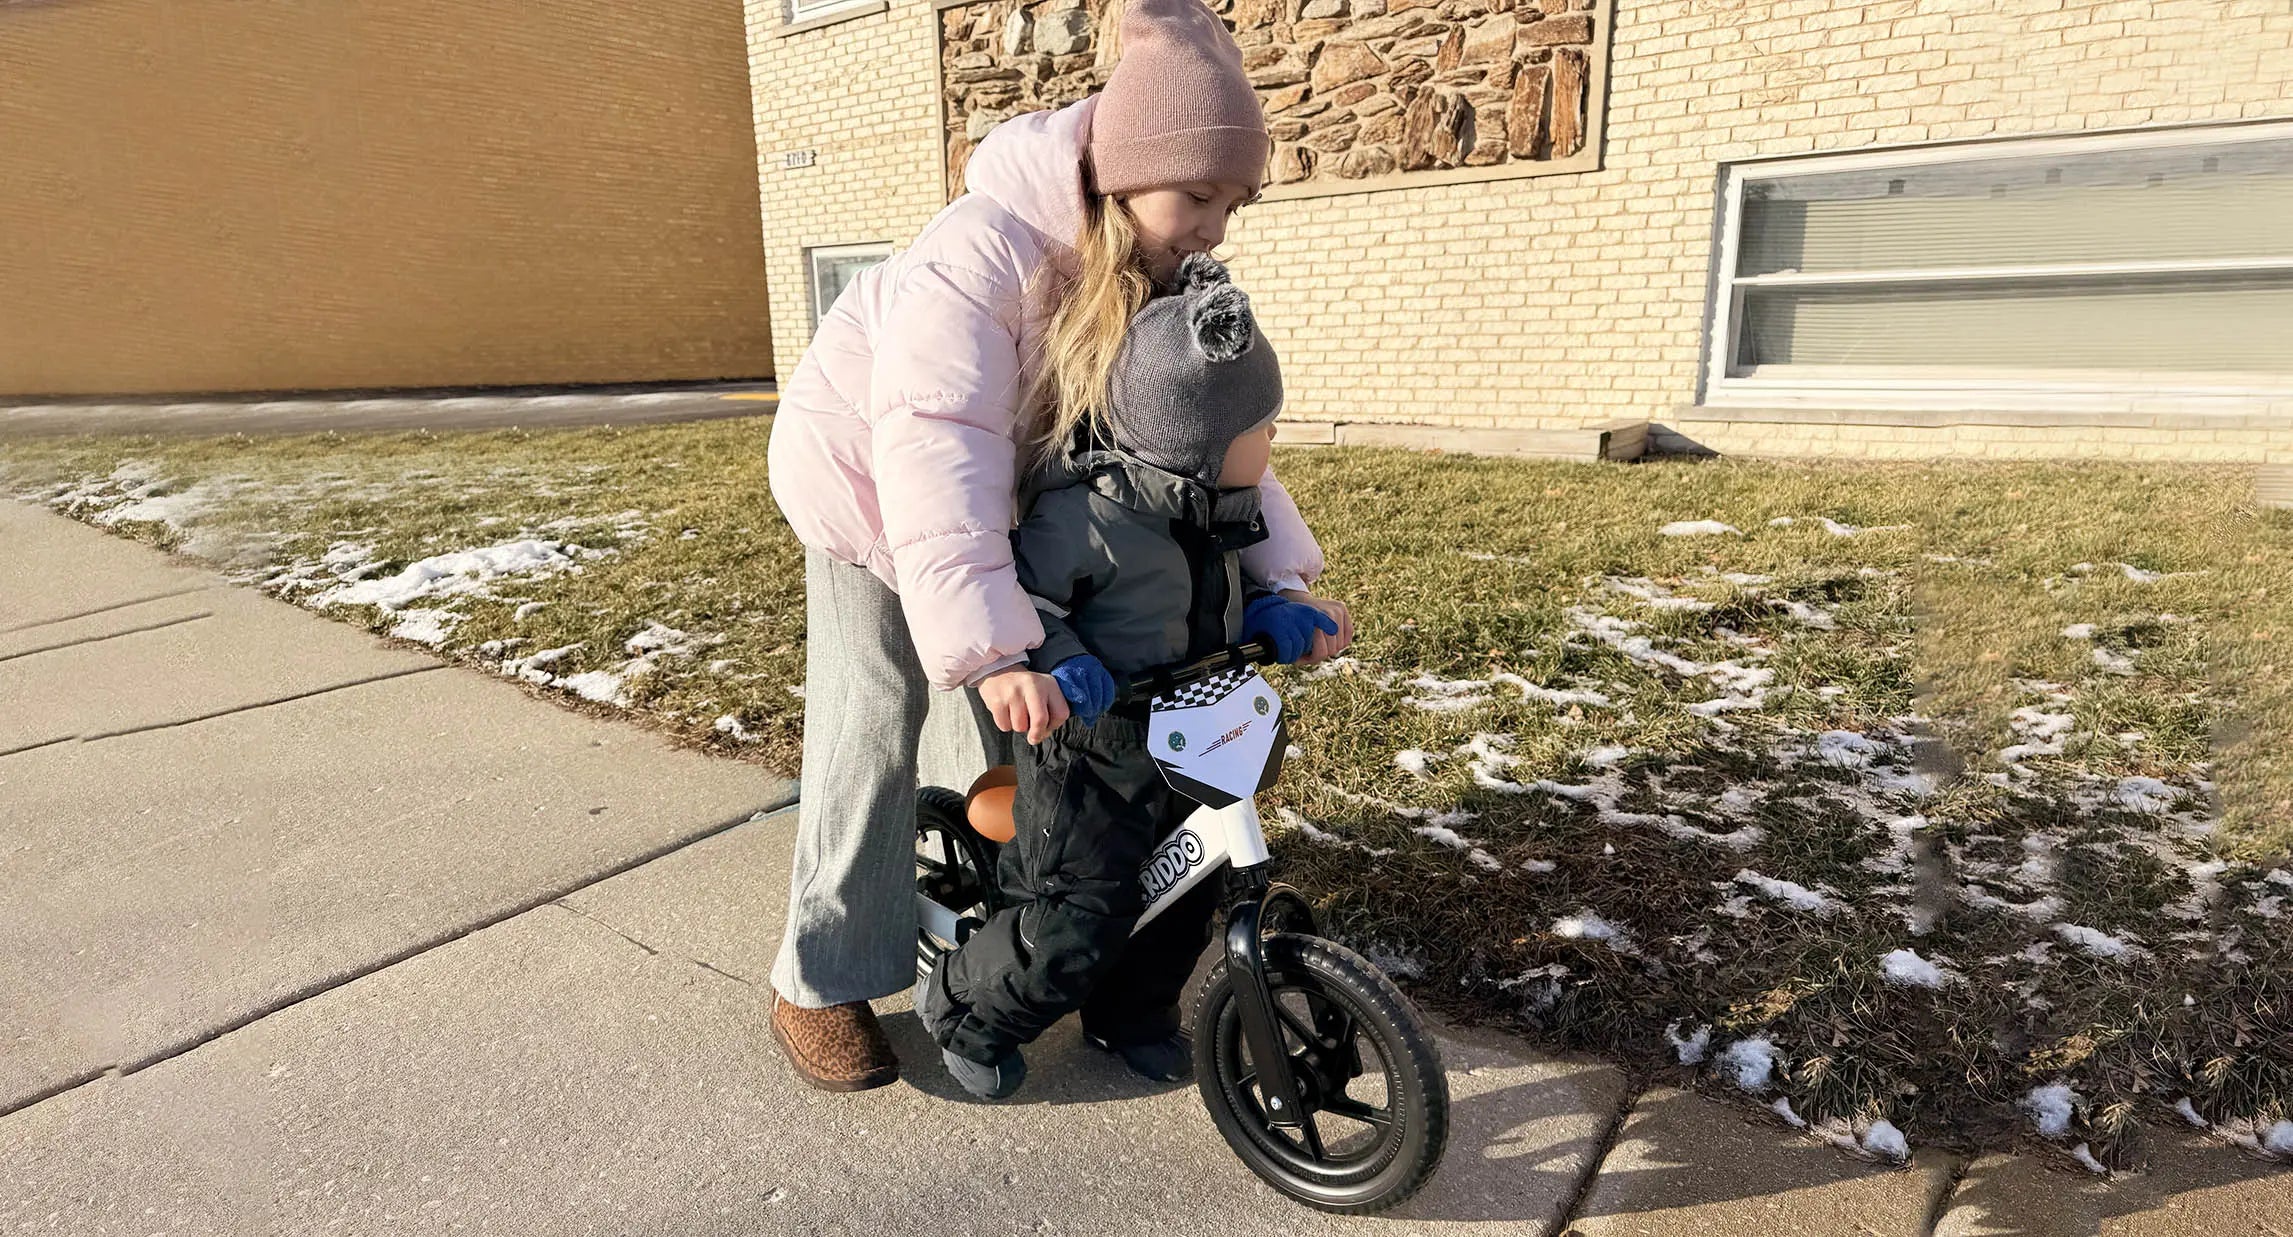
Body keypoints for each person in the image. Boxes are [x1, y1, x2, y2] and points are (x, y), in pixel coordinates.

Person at [763, 0, 1353, 1092]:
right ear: (1124, 174)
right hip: (870, 481)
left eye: (1236, 203)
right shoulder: (978, 257)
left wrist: (1279, 578)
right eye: (1197, 197)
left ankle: (1013, 928)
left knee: (1019, 732)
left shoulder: (1164, 272)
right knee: (880, 715)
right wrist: (994, 649)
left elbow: (1215, 446)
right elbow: (936, 451)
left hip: (1019, 491)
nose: (1216, 228)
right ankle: (821, 976)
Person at [914, 254, 1332, 1098]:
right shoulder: (1086, 515)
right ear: (1196, 440)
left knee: (1182, 890)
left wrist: (1268, 608)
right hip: (1092, 747)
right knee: (1082, 910)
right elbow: (1025, 600)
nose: (1272, 442)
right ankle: (964, 1007)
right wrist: (1059, 658)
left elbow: (1218, 589)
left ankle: (1131, 1016)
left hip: (1189, 727)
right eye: (1261, 428)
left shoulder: (1218, 511)